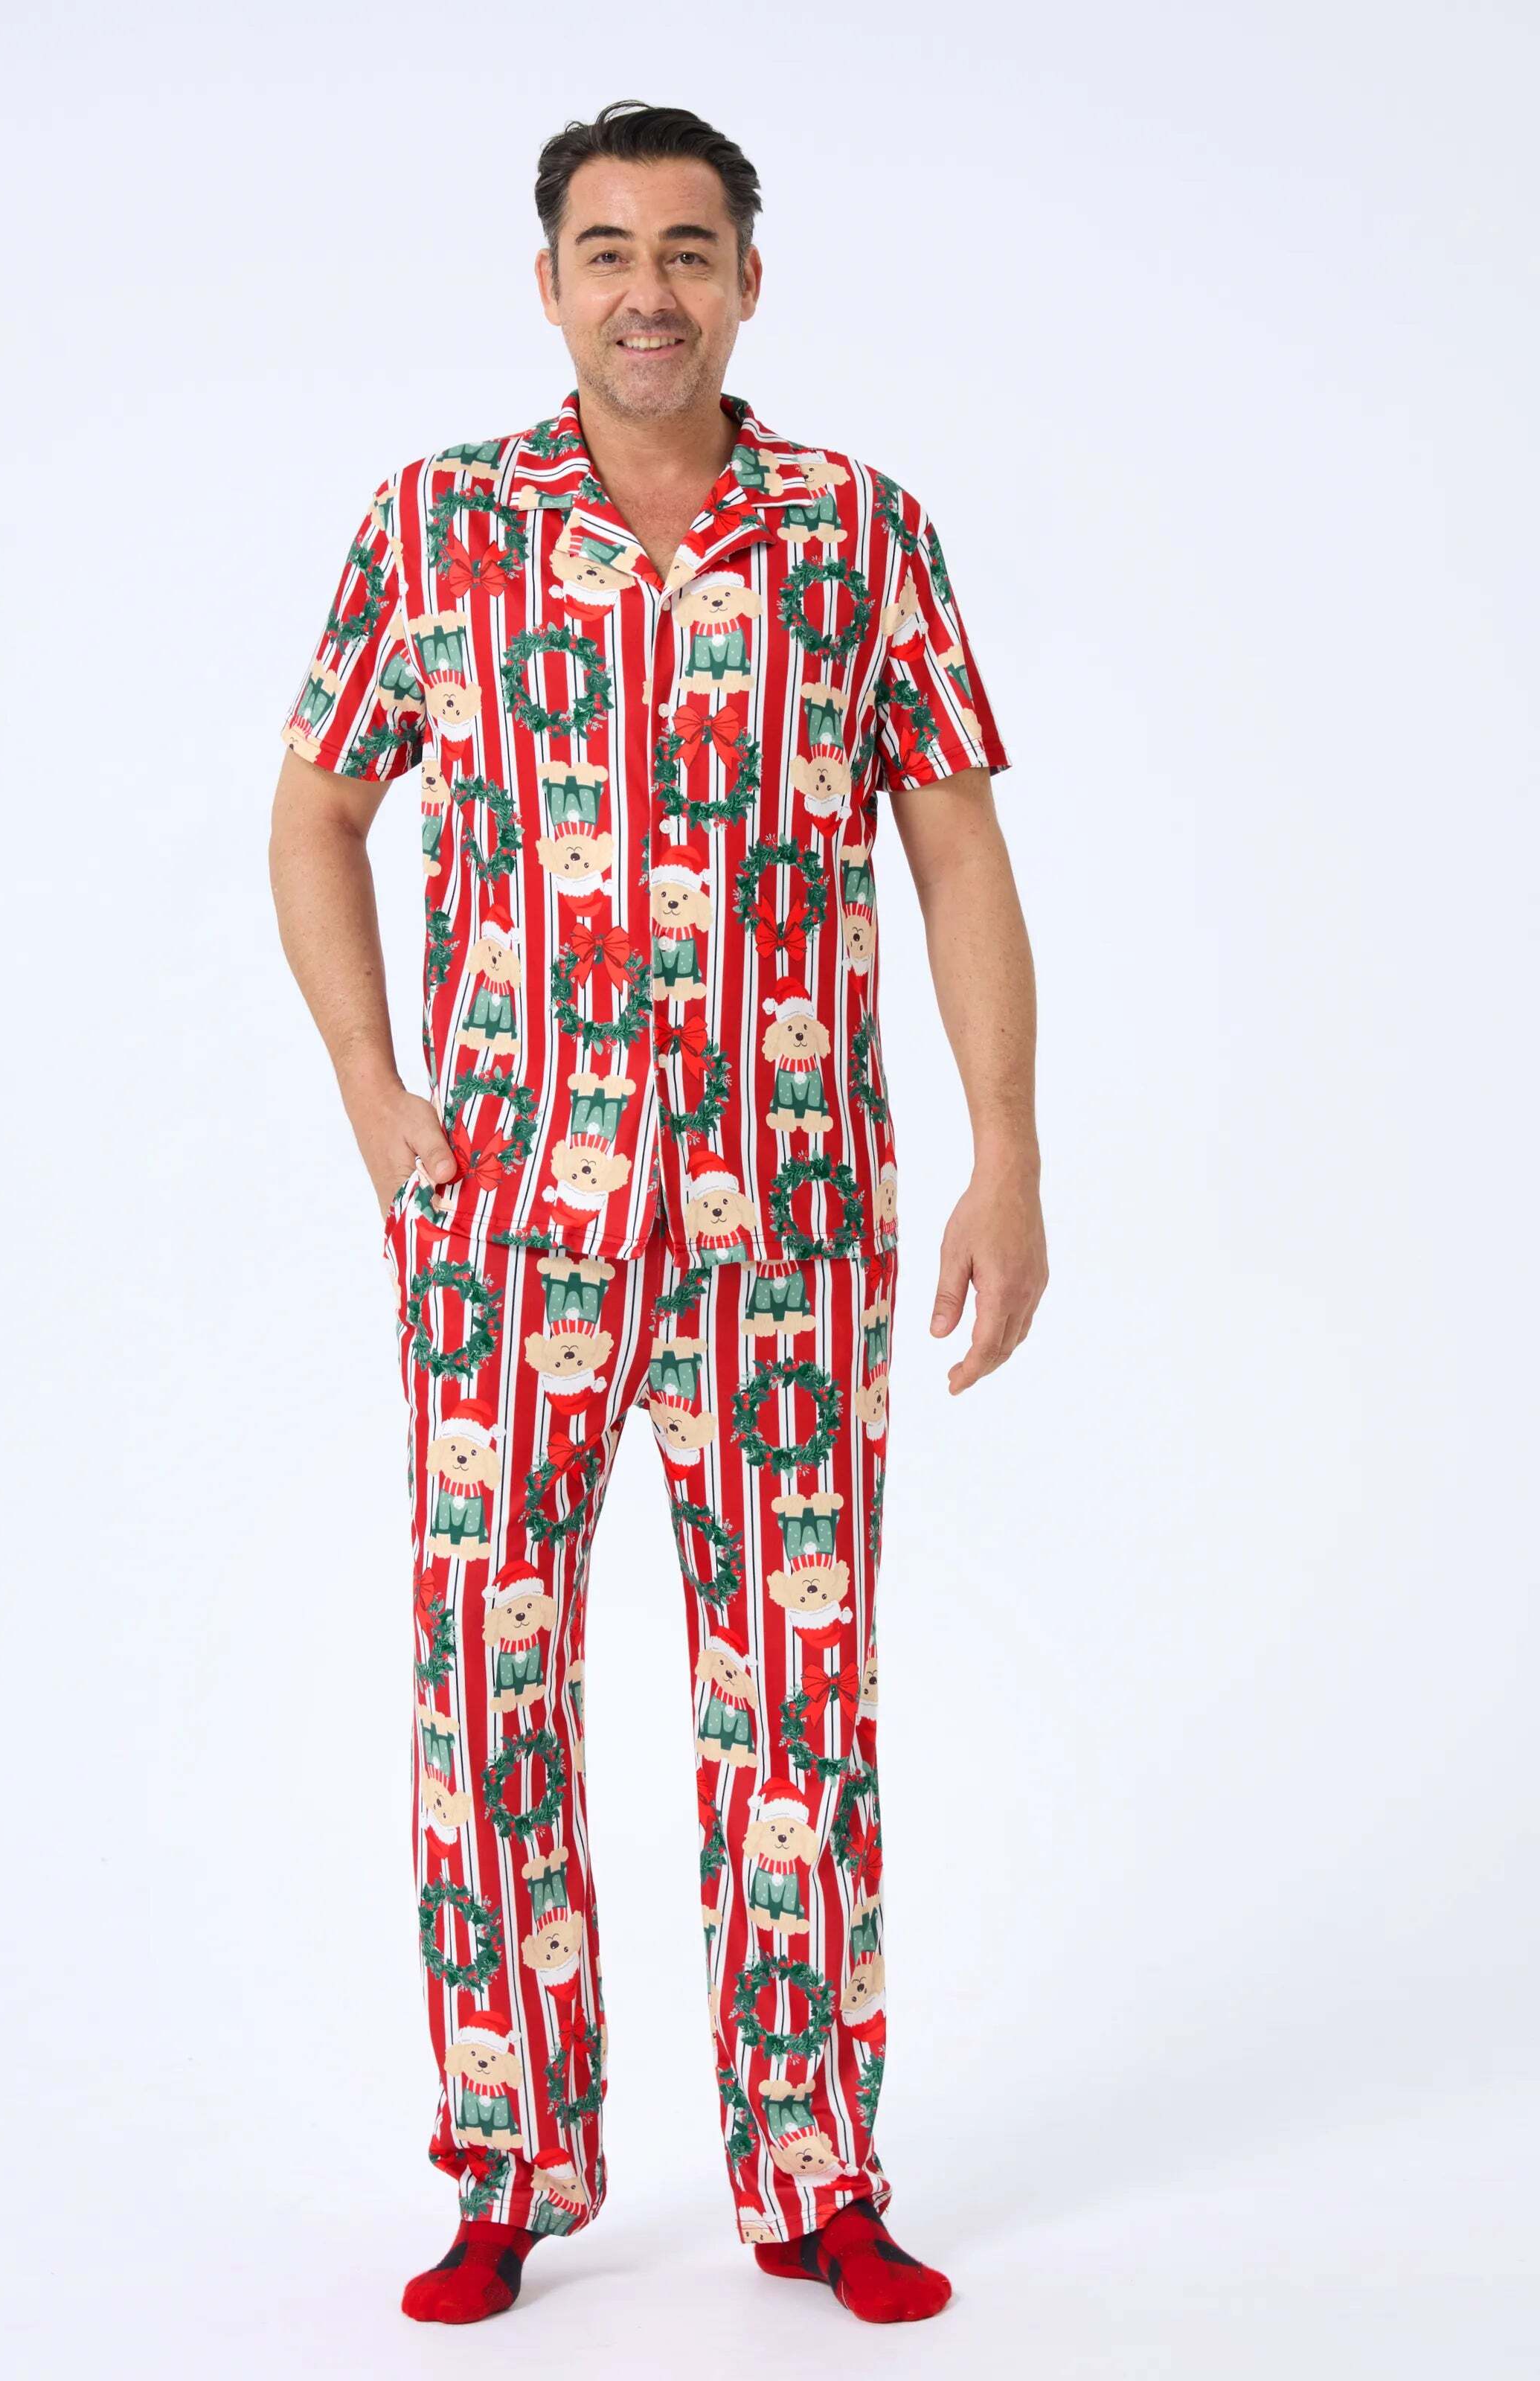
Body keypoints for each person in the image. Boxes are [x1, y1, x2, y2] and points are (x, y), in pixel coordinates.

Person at [268, 100, 1047, 2327]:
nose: (648, 290)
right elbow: (315, 812)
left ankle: (814, 2171)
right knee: (484, 1680)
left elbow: (958, 851)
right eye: (606, 250)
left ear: (748, 282)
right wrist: (373, 1091)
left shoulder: (859, 535)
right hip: (508, 1218)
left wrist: (1005, 1150)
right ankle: (507, 2164)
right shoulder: (437, 529)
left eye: (688, 250)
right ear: (549, 286)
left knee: (801, 1696)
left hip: (789, 1217)